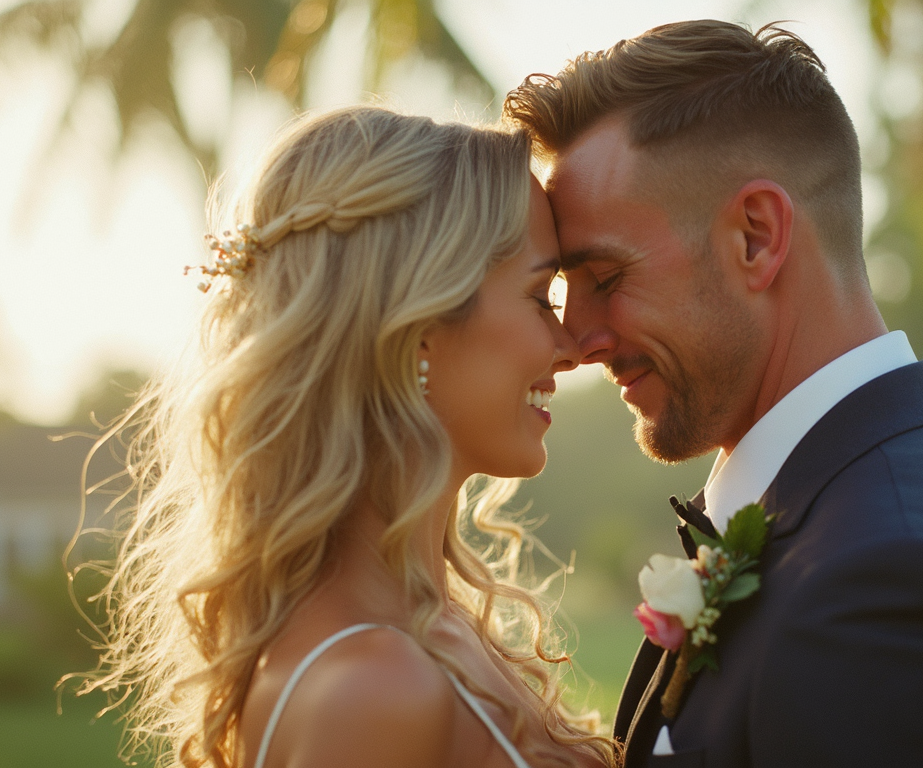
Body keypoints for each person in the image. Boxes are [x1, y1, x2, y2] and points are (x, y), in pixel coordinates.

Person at [505, 19, 923, 767]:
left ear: (756, 237)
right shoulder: (864, 520)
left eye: (604, 279)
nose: (576, 340)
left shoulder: (895, 590)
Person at [82, 107, 617, 768]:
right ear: (415, 327)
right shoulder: (373, 689)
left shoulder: (416, 632)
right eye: (542, 296)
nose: (571, 347)